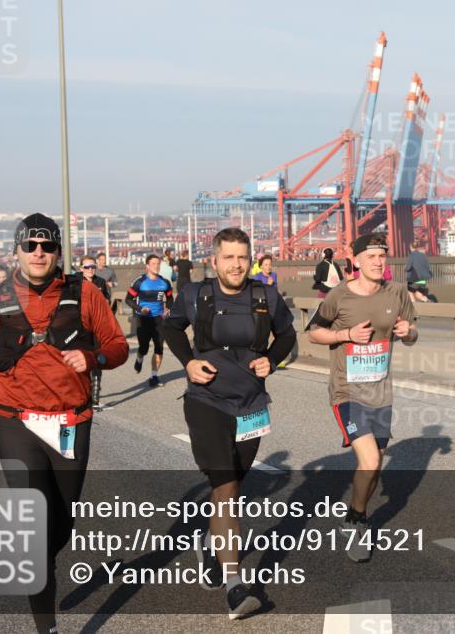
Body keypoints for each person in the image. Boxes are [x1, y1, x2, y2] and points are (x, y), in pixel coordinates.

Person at [0, 213, 128, 633]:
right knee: (34, 529)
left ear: (58, 253)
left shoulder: (86, 294)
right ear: (15, 251)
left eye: (47, 246)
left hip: (71, 422)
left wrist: (94, 357)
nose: (38, 253)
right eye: (30, 245)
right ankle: (45, 625)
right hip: (16, 423)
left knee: (61, 523)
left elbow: (118, 345)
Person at [162, 227, 296, 619]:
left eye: (243, 257)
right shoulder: (196, 294)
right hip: (206, 401)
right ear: (215, 260)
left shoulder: (265, 295)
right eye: (229, 257)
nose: (236, 264)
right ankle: (236, 584)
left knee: (234, 483)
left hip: (251, 402)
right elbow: (171, 328)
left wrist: (271, 358)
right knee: (228, 487)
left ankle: (211, 539)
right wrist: (187, 361)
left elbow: (287, 334)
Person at [308, 233, 418, 562]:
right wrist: (345, 335)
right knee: (369, 459)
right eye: (371, 256)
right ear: (355, 261)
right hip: (347, 391)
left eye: (382, 255)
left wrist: (407, 333)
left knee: (374, 465)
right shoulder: (338, 296)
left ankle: (356, 512)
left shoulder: (397, 292)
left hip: (381, 392)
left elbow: (412, 331)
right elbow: (314, 331)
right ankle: (357, 522)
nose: (378, 261)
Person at [126, 254, 173, 387]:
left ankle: (154, 376)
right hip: (143, 319)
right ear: (147, 266)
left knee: (159, 348)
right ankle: (140, 357)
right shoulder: (139, 282)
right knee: (144, 347)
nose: (156, 266)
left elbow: (169, 298)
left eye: (158, 264)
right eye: (153, 264)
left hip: (159, 319)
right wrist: (140, 308)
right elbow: (128, 299)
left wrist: (167, 308)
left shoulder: (164, 282)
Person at [81, 255, 112, 411]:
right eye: (87, 267)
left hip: (98, 327)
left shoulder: (100, 282)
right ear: (81, 269)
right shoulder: (76, 283)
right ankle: (83, 392)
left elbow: (107, 300)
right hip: (81, 328)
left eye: (92, 266)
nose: (91, 269)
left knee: (98, 359)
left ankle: (95, 397)